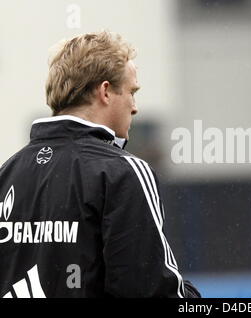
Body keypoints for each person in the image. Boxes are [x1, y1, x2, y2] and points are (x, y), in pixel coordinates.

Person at [0, 31, 200, 298]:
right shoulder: (122, 172)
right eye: (132, 91)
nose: (135, 107)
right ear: (105, 91)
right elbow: (150, 291)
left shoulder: (7, 173)